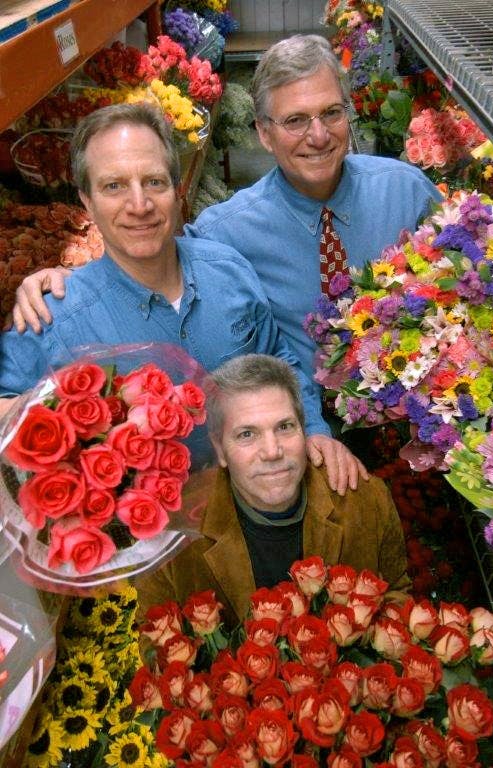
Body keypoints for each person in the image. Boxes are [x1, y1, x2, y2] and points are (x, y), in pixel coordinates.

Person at [11, 34, 442, 398]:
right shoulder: (226, 231)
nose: (318, 135)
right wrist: (68, 280)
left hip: (420, 402)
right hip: (307, 411)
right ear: (264, 133)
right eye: (295, 120)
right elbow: (149, 249)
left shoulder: (406, 192)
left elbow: (463, 270)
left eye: (331, 113)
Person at [0, 102, 365, 492]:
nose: (139, 205)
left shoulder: (227, 270)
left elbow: (277, 360)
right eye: (114, 186)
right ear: (87, 201)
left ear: (176, 190)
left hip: (259, 497)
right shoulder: (54, 317)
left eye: (154, 182)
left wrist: (313, 430)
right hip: (143, 523)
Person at [136, 354, 410, 627]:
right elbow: (152, 639)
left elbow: (396, 597)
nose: (272, 451)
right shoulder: (172, 530)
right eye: (247, 434)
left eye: (284, 427)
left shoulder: (365, 498)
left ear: (304, 430)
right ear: (219, 449)